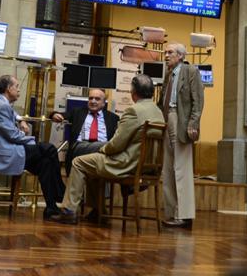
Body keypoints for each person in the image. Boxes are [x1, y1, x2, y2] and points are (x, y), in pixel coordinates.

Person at [48, 74, 164, 225]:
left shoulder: (133, 111)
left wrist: (102, 150)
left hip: (127, 163)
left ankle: (69, 211)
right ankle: (99, 210)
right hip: (148, 166)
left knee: (78, 162)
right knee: (92, 163)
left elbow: (116, 144)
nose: (93, 101)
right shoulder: (158, 112)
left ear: (133, 92)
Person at [0, 74, 65, 219]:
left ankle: (51, 208)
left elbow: (12, 112)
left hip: (6, 150)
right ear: (9, 89)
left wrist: (20, 119)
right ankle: (62, 193)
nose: (19, 90)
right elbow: (13, 136)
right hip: (4, 155)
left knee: (45, 163)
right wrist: (32, 141)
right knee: (49, 149)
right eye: (17, 87)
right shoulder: (1, 105)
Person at [159, 42, 204, 229]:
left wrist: (193, 124)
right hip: (166, 118)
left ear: (180, 55)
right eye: (165, 52)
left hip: (182, 121)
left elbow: (198, 100)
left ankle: (185, 216)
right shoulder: (168, 75)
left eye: (170, 52)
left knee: (182, 168)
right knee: (167, 169)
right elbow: (162, 100)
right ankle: (171, 213)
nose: (166, 55)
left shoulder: (190, 71)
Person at [49, 88, 120, 175]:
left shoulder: (113, 118)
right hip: (80, 147)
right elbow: (61, 115)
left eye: (97, 99)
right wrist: (55, 115)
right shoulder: (78, 112)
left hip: (102, 153)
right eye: (90, 98)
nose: (93, 101)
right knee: (110, 146)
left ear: (104, 102)